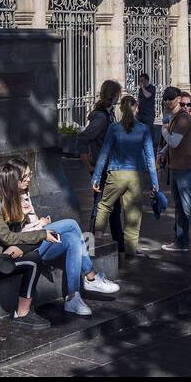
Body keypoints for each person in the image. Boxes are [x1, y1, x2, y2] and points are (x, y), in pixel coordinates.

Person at [0, 158, 119, 328]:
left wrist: (38, 226)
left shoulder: (17, 194)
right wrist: (42, 231)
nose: (30, 179)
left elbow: (18, 230)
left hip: (21, 244)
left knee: (73, 238)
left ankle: (73, 298)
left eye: (30, 175)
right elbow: (9, 236)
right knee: (71, 224)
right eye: (26, 176)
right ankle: (91, 276)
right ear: (14, 179)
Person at [91, 95, 159, 259]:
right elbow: (150, 158)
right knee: (133, 214)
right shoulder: (143, 129)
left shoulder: (114, 128)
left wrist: (96, 177)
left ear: (120, 109)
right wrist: (155, 183)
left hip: (116, 174)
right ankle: (131, 250)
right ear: (137, 109)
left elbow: (104, 153)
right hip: (135, 176)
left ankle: (97, 240)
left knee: (104, 206)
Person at [158, 85, 191, 259]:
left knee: (189, 207)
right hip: (175, 168)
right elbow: (171, 145)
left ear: (178, 99)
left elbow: (174, 141)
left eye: (170, 98)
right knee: (180, 207)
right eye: (165, 98)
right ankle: (181, 241)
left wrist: (164, 131)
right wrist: (163, 152)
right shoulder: (174, 117)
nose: (167, 101)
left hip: (186, 169)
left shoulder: (182, 119)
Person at [79, 80, 125, 254]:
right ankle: (88, 249)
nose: (118, 98)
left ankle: (120, 245)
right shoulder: (100, 117)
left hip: (111, 168)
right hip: (102, 170)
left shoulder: (109, 113)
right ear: (112, 95)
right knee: (98, 209)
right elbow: (83, 139)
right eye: (117, 94)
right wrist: (89, 165)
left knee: (115, 209)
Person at [136, 72, 158, 146]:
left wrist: (142, 88)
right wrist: (136, 107)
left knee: (149, 130)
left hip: (148, 114)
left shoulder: (152, 88)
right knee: (139, 130)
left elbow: (147, 95)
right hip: (140, 113)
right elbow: (139, 99)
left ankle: (151, 145)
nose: (140, 82)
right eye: (140, 81)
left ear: (146, 80)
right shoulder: (140, 89)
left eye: (142, 81)